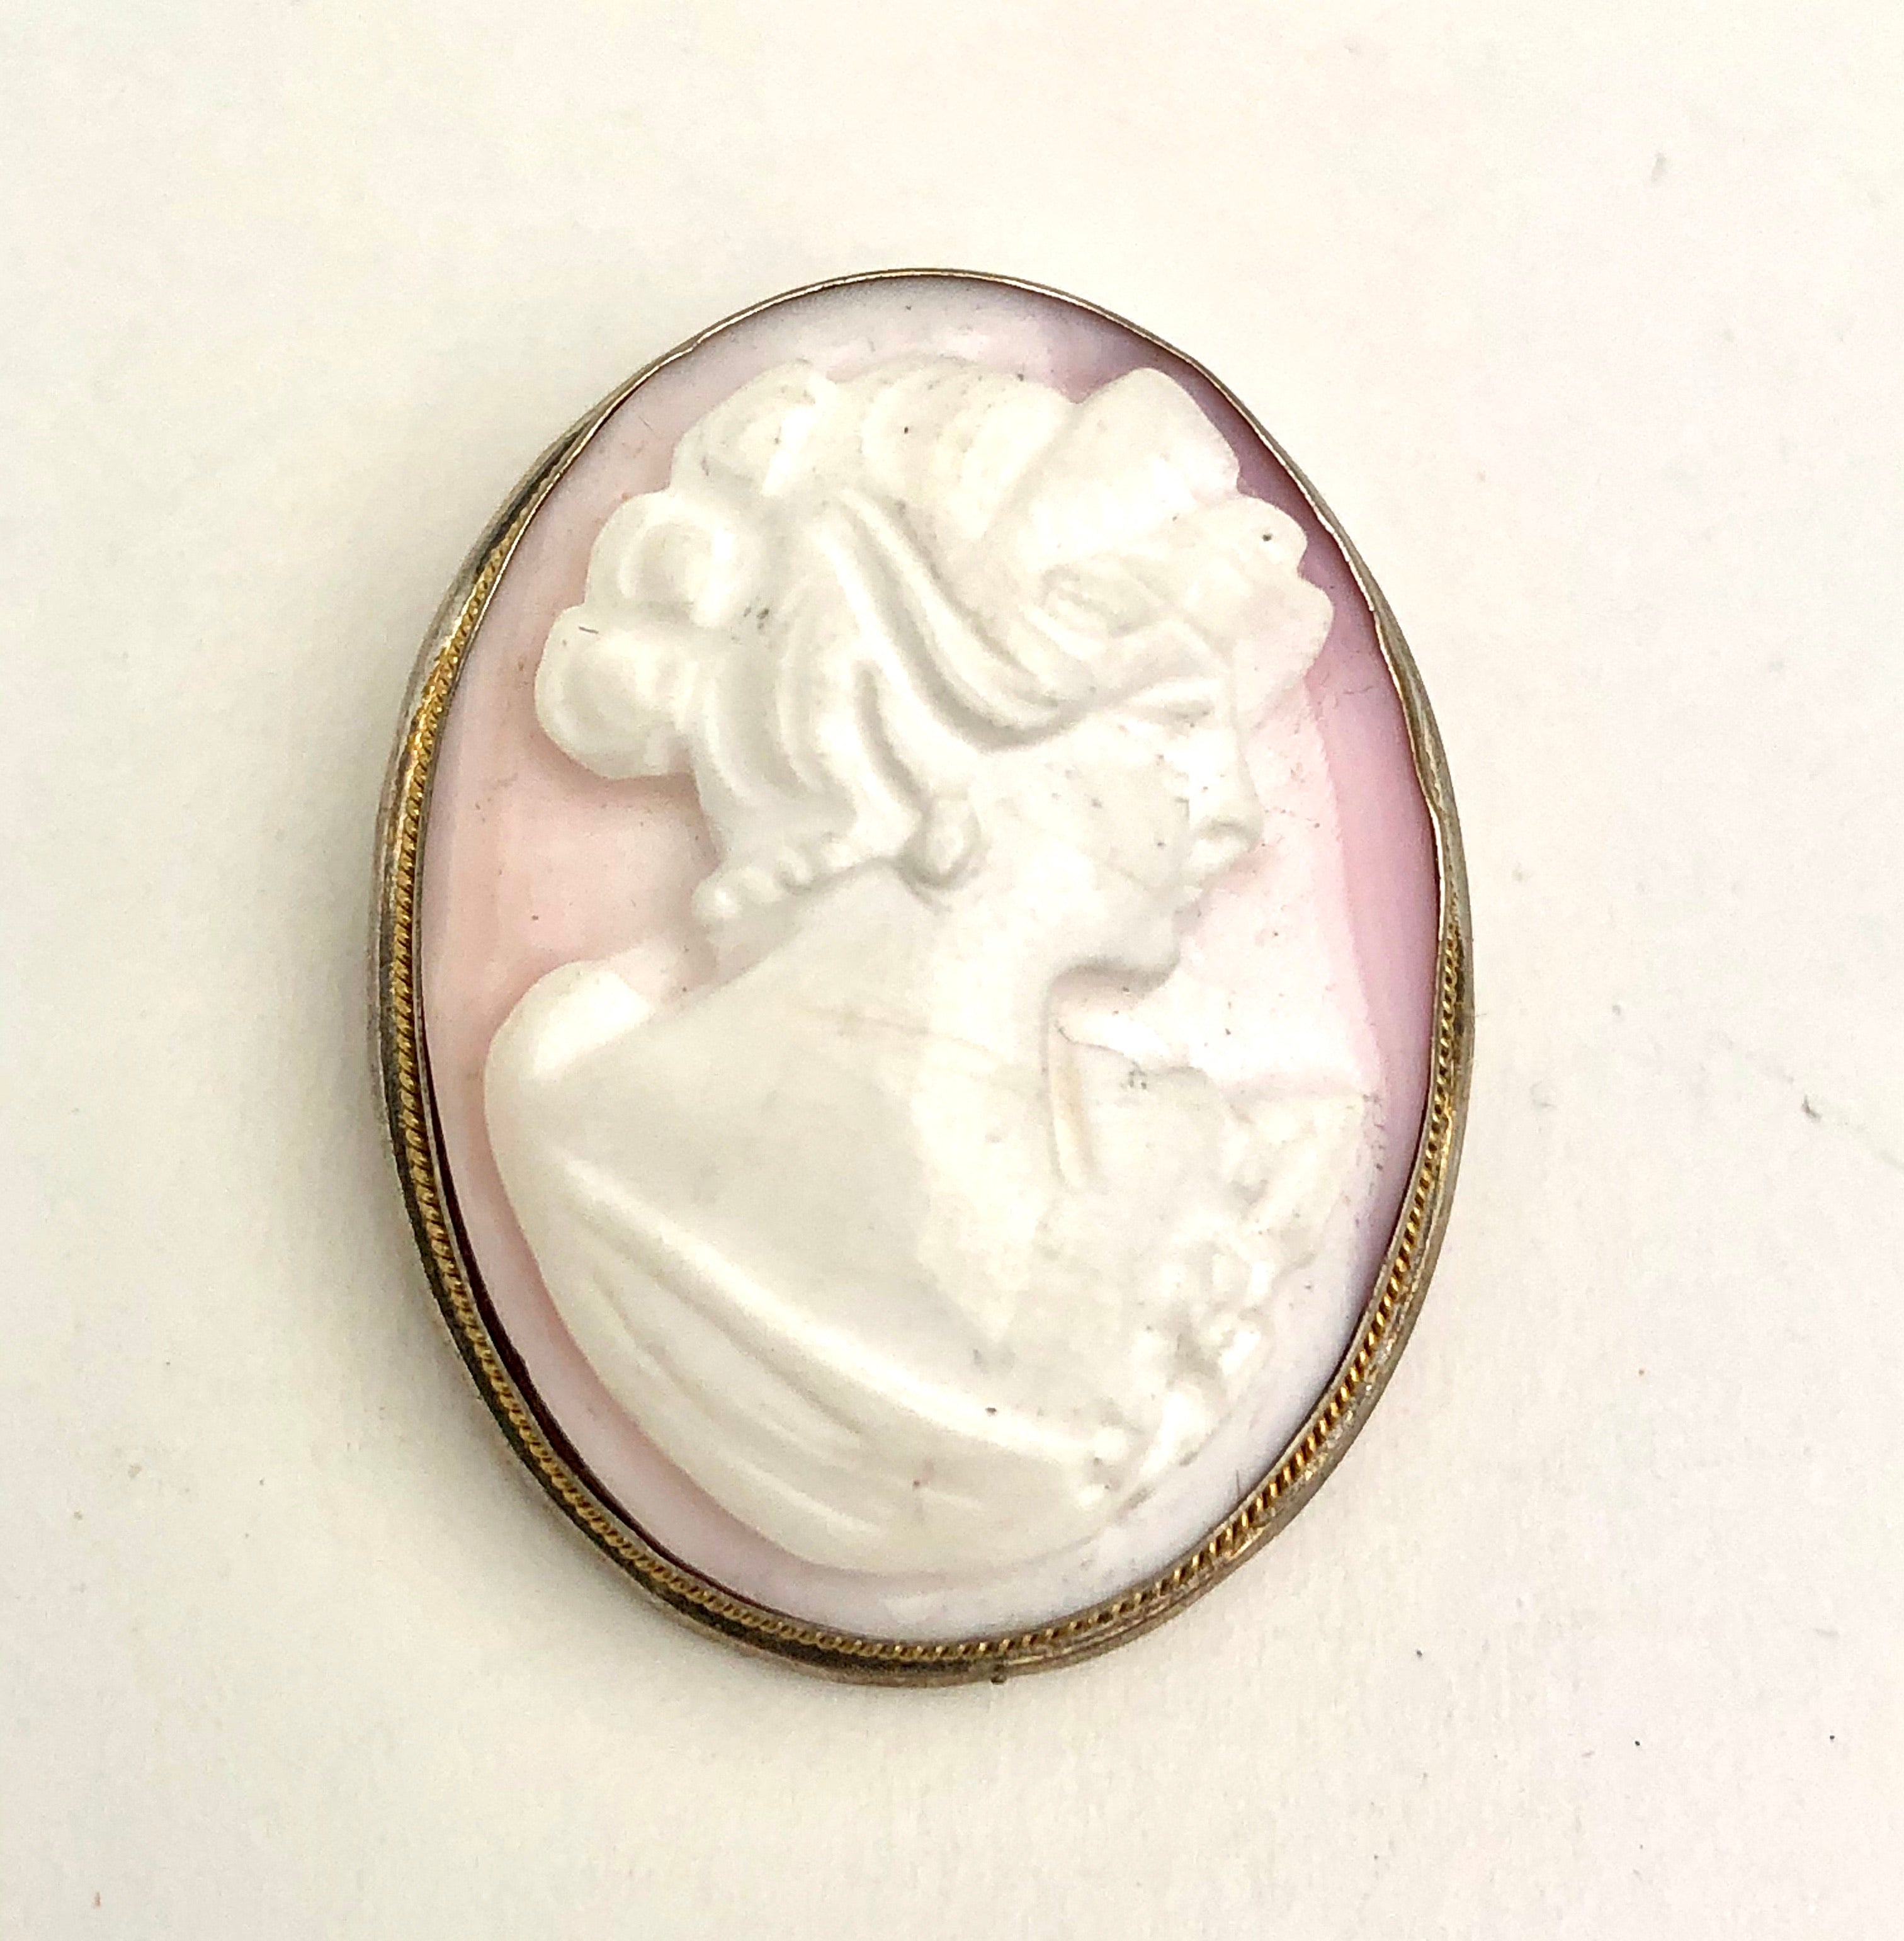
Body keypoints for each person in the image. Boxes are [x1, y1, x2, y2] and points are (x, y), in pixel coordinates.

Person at [485, 355, 1359, 1576]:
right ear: (892, 729)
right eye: (1169, 723)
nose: (1245, 814)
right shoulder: (587, 1130)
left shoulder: (1194, 1188)